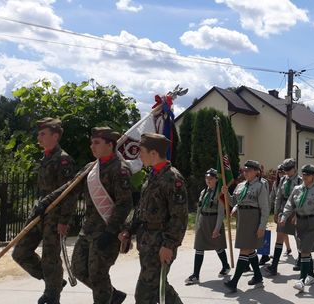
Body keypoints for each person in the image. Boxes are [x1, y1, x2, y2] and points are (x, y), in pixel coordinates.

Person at [35, 127, 132, 304]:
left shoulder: (120, 169)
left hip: (107, 230)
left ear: (110, 145)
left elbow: (124, 204)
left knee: (98, 274)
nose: (91, 146)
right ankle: (113, 295)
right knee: (78, 269)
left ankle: (106, 298)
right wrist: (46, 201)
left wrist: (110, 232)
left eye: (97, 143)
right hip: (88, 229)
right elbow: (69, 188)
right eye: (91, 142)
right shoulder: (91, 167)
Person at [12, 118, 76, 304]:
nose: (38, 137)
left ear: (55, 136)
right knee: (20, 252)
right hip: (40, 214)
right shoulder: (46, 157)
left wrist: (64, 220)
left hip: (55, 218)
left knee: (50, 257)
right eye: (39, 133)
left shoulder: (63, 160)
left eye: (43, 134)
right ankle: (54, 281)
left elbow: (69, 193)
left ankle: (52, 294)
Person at [118, 133, 188, 303]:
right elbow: (141, 208)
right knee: (158, 287)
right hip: (147, 241)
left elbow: (179, 216)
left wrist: (169, 245)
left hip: (160, 241)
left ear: (154, 153)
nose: (139, 154)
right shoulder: (153, 175)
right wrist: (128, 229)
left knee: (144, 294)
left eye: (141, 151)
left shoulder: (173, 178)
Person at [280, 164, 314, 293]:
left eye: (308, 174)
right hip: (299, 222)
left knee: (304, 251)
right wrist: (284, 216)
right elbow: (289, 204)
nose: (305, 177)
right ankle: (311, 276)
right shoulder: (297, 189)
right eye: (303, 174)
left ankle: (301, 280)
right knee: (304, 250)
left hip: (312, 222)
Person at [222, 160, 269, 293]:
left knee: (244, 249)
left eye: (248, 170)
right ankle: (258, 276)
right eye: (244, 170)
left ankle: (234, 282)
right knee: (249, 249)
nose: (245, 172)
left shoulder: (260, 186)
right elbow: (233, 202)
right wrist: (226, 194)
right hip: (242, 219)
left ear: (256, 172)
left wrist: (261, 227)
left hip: (253, 218)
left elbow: (265, 209)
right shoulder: (241, 185)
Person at [184, 168, 230, 285]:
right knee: (199, 247)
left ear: (216, 179)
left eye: (211, 178)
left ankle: (225, 266)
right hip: (203, 220)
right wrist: (196, 224)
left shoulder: (220, 193)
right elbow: (199, 209)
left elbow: (221, 212)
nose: (208, 180)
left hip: (214, 221)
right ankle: (195, 275)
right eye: (206, 178)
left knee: (217, 245)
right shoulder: (203, 192)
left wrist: (217, 228)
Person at [265, 158, 302, 275]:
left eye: (288, 170)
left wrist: (297, 213)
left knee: (298, 237)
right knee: (279, 236)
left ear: (294, 168)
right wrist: (276, 213)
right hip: (283, 209)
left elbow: (301, 199)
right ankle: (274, 265)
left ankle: (300, 259)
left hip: (295, 210)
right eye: (285, 170)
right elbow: (278, 197)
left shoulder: (300, 181)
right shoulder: (282, 180)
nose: (286, 172)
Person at [267, 165, 292, 259]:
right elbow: (272, 196)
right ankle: (286, 249)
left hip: (291, 208)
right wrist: (271, 209)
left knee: (296, 232)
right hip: (281, 209)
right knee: (281, 230)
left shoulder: (291, 181)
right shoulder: (276, 183)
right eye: (279, 172)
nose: (281, 174)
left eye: (283, 172)